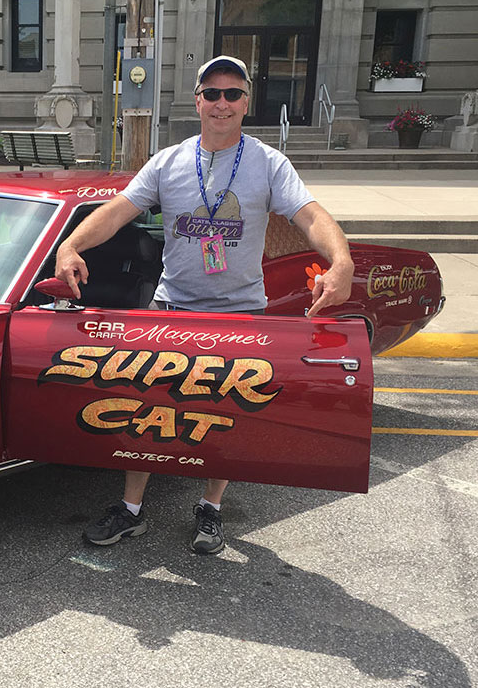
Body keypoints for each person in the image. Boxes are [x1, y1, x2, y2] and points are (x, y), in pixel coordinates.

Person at [54, 55, 355, 554]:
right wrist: (72, 246)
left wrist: (340, 261)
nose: (221, 103)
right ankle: (130, 510)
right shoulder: (168, 162)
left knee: (224, 414)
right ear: (197, 101)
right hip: (172, 308)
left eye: (232, 94)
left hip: (239, 313)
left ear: (246, 102)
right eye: (211, 93)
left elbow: (310, 215)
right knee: (148, 410)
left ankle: (211, 509)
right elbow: (116, 212)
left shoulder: (268, 163)